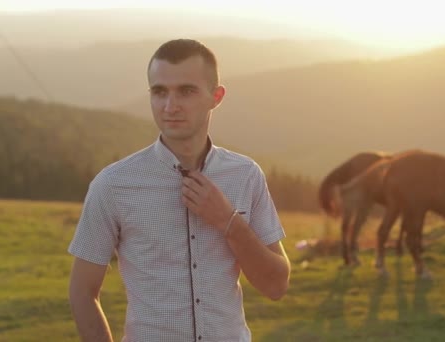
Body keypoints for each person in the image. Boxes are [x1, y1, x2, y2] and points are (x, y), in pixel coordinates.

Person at [68, 38, 291, 342]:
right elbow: (82, 292)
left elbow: (276, 286)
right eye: (160, 92)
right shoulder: (113, 185)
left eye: (186, 91)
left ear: (216, 96)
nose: (170, 106)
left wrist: (229, 222)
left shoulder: (245, 175)